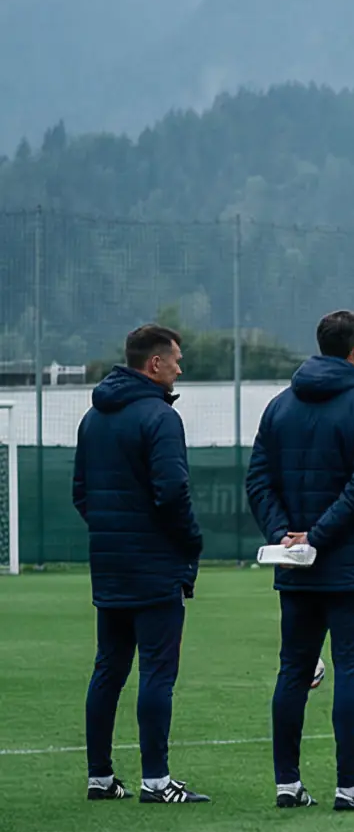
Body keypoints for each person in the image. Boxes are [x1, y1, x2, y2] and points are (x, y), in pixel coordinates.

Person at [246, 308, 354, 811]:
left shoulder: (279, 406)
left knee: (294, 670)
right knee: (351, 671)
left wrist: (286, 538)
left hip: (296, 566)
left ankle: (287, 785)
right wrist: (316, 537)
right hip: (349, 563)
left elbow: (258, 481)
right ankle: (350, 788)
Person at [75, 324, 208, 803]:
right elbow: (172, 492)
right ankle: (156, 780)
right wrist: (189, 543)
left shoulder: (93, 418)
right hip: (154, 565)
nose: (179, 370)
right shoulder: (160, 418)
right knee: (156, 671)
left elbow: (81, 494)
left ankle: (100, 776)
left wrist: (113, 532)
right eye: (176, 360)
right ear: (154, 364)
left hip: (110, 565)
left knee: (108, 669)